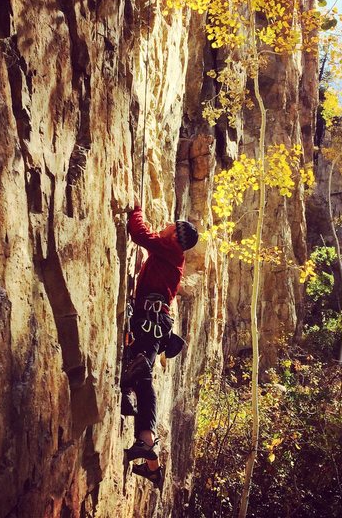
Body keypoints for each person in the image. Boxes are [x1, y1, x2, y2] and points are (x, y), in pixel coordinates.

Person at [120, 201, 198, 489]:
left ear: (176, 234)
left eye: (170, 225)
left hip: (152, 320)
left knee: (142, 372)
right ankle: (152, 464)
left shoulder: (171, 248)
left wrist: (136, 209)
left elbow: (139, 234)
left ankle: (147, 440)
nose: (164, 225)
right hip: (153, 320)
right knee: (139, 373)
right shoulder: (173, 255)